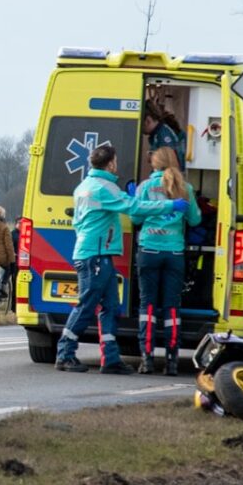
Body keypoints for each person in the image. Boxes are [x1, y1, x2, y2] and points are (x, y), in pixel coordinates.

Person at [54, 142, 184, 375]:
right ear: (111, 162)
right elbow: (134, 207)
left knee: (110, 306)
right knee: (87, 305)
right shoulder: (105, 188)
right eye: (115, 161)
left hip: (95, 253)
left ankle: (111, 358)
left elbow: (79, 222)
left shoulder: (83, 186)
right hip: (96, 256)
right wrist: (169, 205)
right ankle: (65, 353)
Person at [133, 146, 198, 375]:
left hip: (149, 251)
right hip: (175, 254)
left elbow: (135, 216)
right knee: (172, 308)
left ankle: (147, 359)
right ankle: (171, 361)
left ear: (154, 163)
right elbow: (195, 219)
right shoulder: (185, 188)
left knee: (147, 306)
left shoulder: (145, 187)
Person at [142, 96, 187, 169]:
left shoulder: (163, 136)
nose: (141, 130)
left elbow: (168, 161)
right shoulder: (159, 133)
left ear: (148, 120)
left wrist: (152, 157)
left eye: (141, 125)